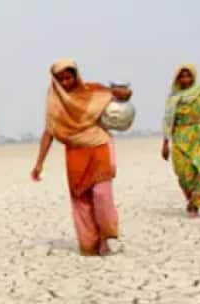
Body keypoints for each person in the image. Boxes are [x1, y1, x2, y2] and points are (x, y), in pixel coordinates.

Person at [31, 59, 131, 256]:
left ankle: (108, 237)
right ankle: (89, 244)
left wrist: (120, 92)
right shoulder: (55, 102)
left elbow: (123, 96)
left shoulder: (92, 90)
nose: (65, 83)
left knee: (102, 195)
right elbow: (49, 132)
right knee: (81, 199)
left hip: (99, 147)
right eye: (61, 79)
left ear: (76, 75)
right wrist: (39, 163)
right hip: (75, 153)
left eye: (68, 78)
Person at [161, 65, 200, 217]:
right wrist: (165, 143)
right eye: (182, 76)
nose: (186, 79)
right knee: (182, 171)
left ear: (194, 77)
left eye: (189, 76)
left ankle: (194, 202)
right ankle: (190, 197)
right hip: (180, 136)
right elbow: (168, 121)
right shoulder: (173, 98)